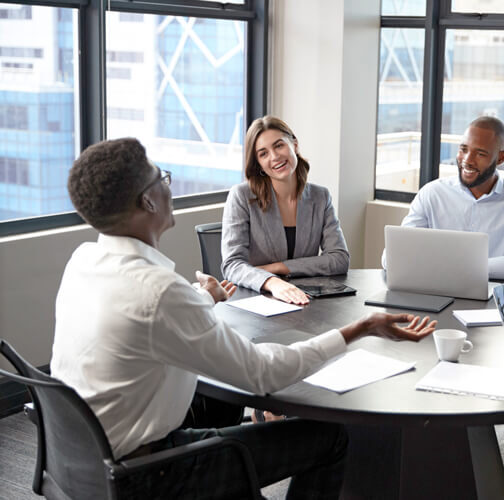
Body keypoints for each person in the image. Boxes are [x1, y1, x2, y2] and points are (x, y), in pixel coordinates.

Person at [51, 137, 436, 499]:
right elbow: (263, 374)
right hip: (150, 474)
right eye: (161, 178)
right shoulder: (159, 292)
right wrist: (358, 329)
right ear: (149, 202)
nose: (169, 187)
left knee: (218, 407)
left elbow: (158, 317)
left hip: (85, 460)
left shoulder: (84, 261)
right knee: (329, 437)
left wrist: (205, 296)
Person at [381, 115, 504, 281]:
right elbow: (392, 257)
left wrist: (453, 267)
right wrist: (456, 268)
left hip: (492, 297)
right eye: (463, 150)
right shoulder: (432, 193)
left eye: (480, 154)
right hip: (435, 291)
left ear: (500, 158)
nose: (467, 161)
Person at [223, 116, 350, 305]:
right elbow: (233, 265)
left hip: (306, 301)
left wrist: (279, 268)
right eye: (263, 153)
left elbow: (339, 259)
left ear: (295, 145)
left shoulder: (320, 196)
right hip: (255, 301)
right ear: (258, 163)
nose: (274, 157)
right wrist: (271, 281)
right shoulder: (241, 196)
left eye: (279, 146)